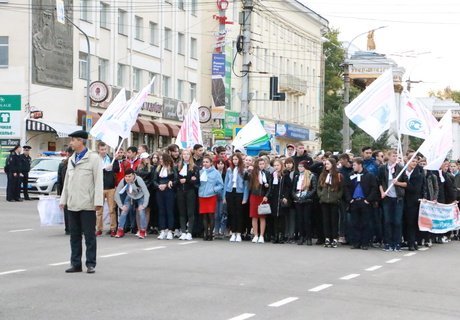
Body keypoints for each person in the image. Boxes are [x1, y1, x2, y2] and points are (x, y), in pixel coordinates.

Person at [59, 130, 103, 274]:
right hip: (73, 203)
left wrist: (98, 202)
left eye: (73, 140)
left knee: (89, 236)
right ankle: (76, 264)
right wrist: (63, 199)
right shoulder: (72, 158)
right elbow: (67, 181)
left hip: (87, 203)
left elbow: (98, 181)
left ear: (81, 141)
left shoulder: (93, 158)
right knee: (74, 236)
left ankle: (91, 263)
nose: (71, 142)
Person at [345, 157, 379, 250]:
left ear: (360, 165)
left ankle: (365, 242)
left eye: (355, 165)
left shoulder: (369, 175)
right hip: (354, 201)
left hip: (365, 201)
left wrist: (368, 200)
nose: (353, 167)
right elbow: (347, 188)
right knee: (354, 223)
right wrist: (350, 199)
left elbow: (374, 188)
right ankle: (356, 242)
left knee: (365, 223)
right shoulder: (351, 175)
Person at [378, 150, 408, 252]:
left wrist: (398, 183)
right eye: (393, 156)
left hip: (398, 198)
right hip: (387, 198)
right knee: (387, 221)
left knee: (397, 221)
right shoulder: (383, 168)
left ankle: (397, 242)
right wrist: (382, 192)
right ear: (389, 157)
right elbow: (380, 182)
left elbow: (406, 184)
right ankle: (388, 243)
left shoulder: (400, 168)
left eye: (396, 156)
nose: (395, 158)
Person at [114, 168, 150, 239]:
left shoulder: (139, 180)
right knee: (124, 211)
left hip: (140, 196)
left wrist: (144, 205)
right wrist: (121, 206)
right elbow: (116, 194)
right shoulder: (123, 181)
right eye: (126, 176)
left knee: (141, 211)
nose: (127, 178)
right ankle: (120, 230)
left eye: (129, 176)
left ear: (133, 175)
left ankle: (142, 231)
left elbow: (146, 193)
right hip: (130, 196)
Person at [317, 158, 343, 248]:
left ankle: (334, 238)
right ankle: (327, 238)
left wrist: (337, 197)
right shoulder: (322, 175)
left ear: (333, 164)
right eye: (325, 164)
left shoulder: (338, 175)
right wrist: (321, 195)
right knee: (326, 220)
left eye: (328, 164)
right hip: (324, 200)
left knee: (334, 220)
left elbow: (341, 188)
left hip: (334, 201)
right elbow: (318, 187)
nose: (326, 165)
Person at [95, 142, 119, 237]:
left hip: (110, 188)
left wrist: (115, 161)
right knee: (99, 210)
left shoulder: (111, 158)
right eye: (102, 149)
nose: (103, 151)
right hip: (100, 187)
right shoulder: (96, 160)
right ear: (98, 150)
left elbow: (117, 169)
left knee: (112, 209)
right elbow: (95, 172)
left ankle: (113, 228)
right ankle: (99, 229)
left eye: (105, 149)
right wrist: (105, 169)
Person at [223, 153, 249, 242]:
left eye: (236, 159)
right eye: (233, 159)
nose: (235, 161)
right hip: (230, 192)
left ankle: (239, 233)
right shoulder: (229, 170)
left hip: (239, 192)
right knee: (231, 213)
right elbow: (226, 183)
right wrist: (224, 196)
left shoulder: (244, 171)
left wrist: (245, 198)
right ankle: (233, 232)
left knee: (239, 213)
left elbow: (246, 185)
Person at [291, 160, 317, 246]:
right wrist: (296, 196)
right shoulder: (297, 176)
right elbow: (293, 189)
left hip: (307, 200)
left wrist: (306, 196)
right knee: (300, 219)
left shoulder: (311, 176)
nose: (299, 168)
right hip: (298, 199)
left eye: (301, 166)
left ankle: (308, 237)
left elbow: (314, 189)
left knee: (307, 220)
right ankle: (301, 236)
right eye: (298, 166)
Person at [198, 155, 224, 240]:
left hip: (211, 195)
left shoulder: (215, 172)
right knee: (204, 215)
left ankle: (210, 234)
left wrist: (214, 189)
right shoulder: (201, 171)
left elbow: (221, 185)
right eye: (204, 162)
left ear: (211, 163)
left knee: (211, 215)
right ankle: (206, 233)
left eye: (207, 162)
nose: (205, 164)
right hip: (202, 195)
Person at [176, 149, 199, 241]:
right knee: (182, 212)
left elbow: (196, 180)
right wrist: (180, 180)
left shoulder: (194, 167)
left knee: (190, 212)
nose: (185, 156)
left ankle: (189, 232)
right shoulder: (178, 166)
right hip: (180, 191)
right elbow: (175, 178)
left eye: (187, 154)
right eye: (184, 154)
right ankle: (183, 232)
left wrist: (187, 180)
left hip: (190, 191)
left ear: (190, 156)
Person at [267, 159, 292, 244]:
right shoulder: (272, 175)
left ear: (281, 166)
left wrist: (285, 196)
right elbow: (271, 187)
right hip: (274, 198)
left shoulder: (285, 175)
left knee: (281, 218)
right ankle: (275, 235)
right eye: (275, 165)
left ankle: (281, 235)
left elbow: (288, 187)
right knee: (274, 217)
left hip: (282, 198)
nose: (276, 167)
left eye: (278, 165)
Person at [153, 152, 177, 240]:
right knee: (161, 211)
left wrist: (167, 184)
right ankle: (163, 230)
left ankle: (170, 230)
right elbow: (154, 180)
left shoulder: (172, 168)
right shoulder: (158, 169)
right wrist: (158, 186)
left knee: (169, 211)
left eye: (162, 160)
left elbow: (176, 179)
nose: (160, 161)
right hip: (160, 191)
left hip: (169, 191)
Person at [404, 154, 425, 251]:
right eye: (412, 161)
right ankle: (406, 240)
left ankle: (412, 242)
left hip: (413, 201)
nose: (414, 163)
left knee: (412, 222)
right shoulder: (402, 171)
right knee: (404, 222)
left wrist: (402, 183)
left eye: (416, 162)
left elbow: (414, 189)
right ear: (407, 161)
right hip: (402, 200)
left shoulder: (419, 174)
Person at [248, 157, 271, 243]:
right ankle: (255, 235)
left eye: (263, 164)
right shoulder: (253, 173)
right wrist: (249, 171)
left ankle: (261, 235)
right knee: (254, 216)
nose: (261, 166)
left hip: (263, 197)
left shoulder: (267, 173)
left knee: (262, 217)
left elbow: (270, 187)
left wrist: (266, 195)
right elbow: (247, 180)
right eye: (260, 164)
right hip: (254, 196)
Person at [57, 147, 73, 235]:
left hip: (67, 189)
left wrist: (60, 192)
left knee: (69, 209)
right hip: (68, 189)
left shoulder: (64, 164)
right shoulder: (63, 164)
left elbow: (59, 180)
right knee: (69, 209)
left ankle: (69, 228)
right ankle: (69, 228)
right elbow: (59, 178)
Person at [214, 158, 228, 238]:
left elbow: (226, 185)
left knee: (222, 213)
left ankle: (222, 231)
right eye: (218, 164)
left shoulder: (226, 173)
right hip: (215, 195)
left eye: (222, 164)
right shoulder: (214, 173)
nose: (220, 165)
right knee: (216, 214)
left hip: (223, 195)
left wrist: (225, 196)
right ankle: (216, 230)